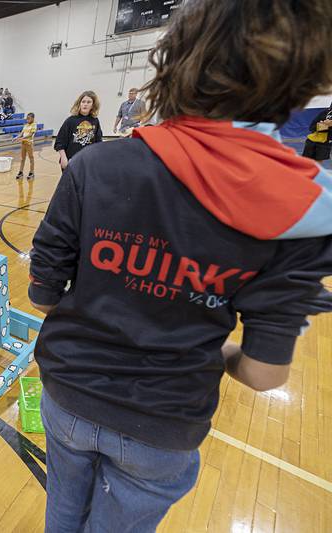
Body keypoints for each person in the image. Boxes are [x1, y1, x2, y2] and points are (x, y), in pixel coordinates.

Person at [28, 1, 332, 532]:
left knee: (61, 517)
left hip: (68, 395)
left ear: (174, 63)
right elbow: (263, 374)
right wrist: (213, 345)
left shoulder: (93, 167)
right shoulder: (302, 210)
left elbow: (43, 296)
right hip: (164, 426)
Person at [53, 90, 102, 169]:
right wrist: (63, 157)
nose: (85, 104)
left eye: (89, 102)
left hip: (88, 161)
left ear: (93, 105)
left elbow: (98, 143)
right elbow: (59, 142)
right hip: (71, 161)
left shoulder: (95, 121)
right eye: (83, 102)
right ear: (79, 103)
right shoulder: (70, 120)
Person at [15, 112, 37, 180]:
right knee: (22, 158)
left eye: (29, 118)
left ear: (32, 118)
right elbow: (22, 133)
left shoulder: (34, 125)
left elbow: (30, 134)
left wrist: (22, 138)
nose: (27, 120)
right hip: (23, 143)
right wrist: (16, 137)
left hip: (29, 144)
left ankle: (31, 172)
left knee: (31, 158)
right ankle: (21, 172)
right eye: (27, 118)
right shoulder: (26, 125)